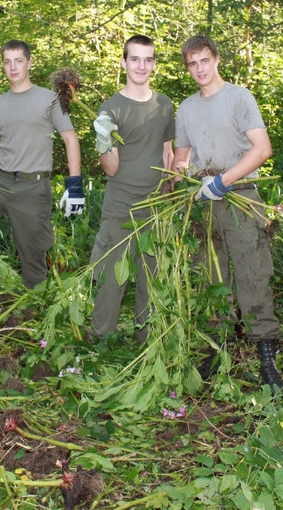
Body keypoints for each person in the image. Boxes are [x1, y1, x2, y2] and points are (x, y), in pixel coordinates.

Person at [172, 35, 283, 392]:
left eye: (204, 60)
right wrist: (180, 183)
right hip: (204, 202)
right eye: (192, 64)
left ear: (217, 59)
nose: (199, 69)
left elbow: (262, 149)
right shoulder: (186, 108)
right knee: (211, 278)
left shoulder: (239, 97)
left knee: (253, 274)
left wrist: (224, 180)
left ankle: (267, 357)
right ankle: (216, 351)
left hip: (240, 196)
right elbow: (181, 156)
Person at [0, 39, 84, 291]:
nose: (13, 67)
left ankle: (37, 308)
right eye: (7, 62)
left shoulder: (51, 99)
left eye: (18, 61)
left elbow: (69, 137)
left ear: (29, 63)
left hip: (33, 187)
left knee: (33, 252)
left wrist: (74, 185)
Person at [89, 35, 175, 342]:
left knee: (150, 276)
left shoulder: (164, 106)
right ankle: (101, 342)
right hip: (121, 204)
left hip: (155, 203)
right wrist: (103, 141)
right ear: (124, 62)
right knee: (113, 277)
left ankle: (146, 340)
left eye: (148, 59)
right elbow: (111, 168)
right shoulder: (111, 108)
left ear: (154, 64)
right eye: (135, 59)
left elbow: (168, 153)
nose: (141, 65)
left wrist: (171, 190)